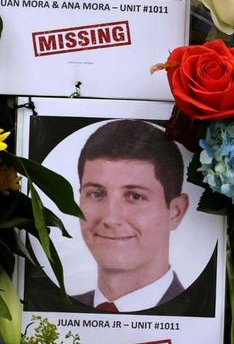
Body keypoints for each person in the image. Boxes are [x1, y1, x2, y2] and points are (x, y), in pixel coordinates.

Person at [72, 120, 189, 312]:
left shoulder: (198, 313)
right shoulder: (52, 309)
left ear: (175, 211)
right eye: (96, 194)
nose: (111, 218)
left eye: (135, 196)